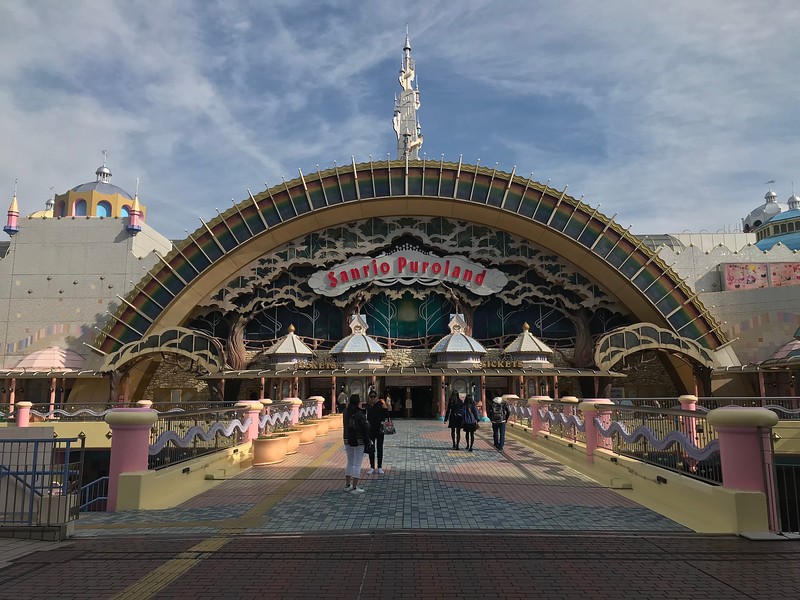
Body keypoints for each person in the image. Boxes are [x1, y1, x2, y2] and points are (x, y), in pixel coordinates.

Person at [342, 394, 371, 493]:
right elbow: (366, 426)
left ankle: (347, 485)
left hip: (347, 438)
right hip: (358, 439)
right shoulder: (358, 413)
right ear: (358, 402)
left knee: (350, 461)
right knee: (357, 463)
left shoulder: (345, 411)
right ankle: (355, 487)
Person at [365, 390, 389, 475]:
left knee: (379, 448)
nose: (373, 398)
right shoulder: (367, 406)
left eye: (374, 396)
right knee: (371, 448)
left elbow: (386, 415)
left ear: (376, 397)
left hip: (379, 430)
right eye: (371, 396)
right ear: (369, 397)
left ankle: (380, 467)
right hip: (370, 430)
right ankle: (372, 467)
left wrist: (385, 407)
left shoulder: (380, 404)